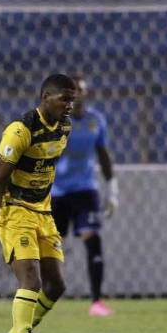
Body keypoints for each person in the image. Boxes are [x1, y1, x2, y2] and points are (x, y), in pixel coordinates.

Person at [0, 73, 77, 333]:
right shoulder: (20, 131)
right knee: (30, 281)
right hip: (14, 212)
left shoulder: (64, 127)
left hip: (43, 213)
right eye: (65, 99)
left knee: (56, 285)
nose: (70, 105)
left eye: (72, 99)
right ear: (46, 98)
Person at [51, 78, 118, 317]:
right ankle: (44, 294)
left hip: (85, 189)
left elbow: (103, 154)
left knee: (92, 238)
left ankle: (97, 301)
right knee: (49, 245)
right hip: (56, 190)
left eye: (81, 89)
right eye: (73, 90)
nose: (78, 94)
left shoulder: (95, 120)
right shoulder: (56, 121)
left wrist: (112, 188)